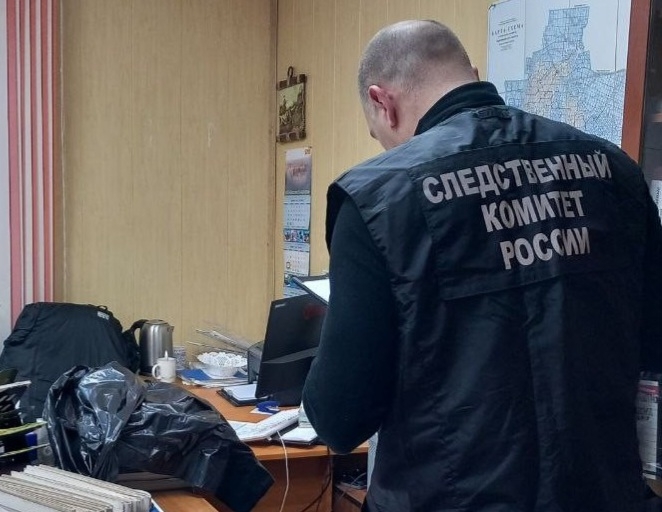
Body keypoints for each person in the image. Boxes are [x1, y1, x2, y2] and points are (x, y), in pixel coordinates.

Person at [301, 19, 662, 512]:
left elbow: (340, 419)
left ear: (383, 102)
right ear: (471, 73)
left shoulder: (378, 197)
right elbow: (652, 343)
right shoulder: (613, 169)